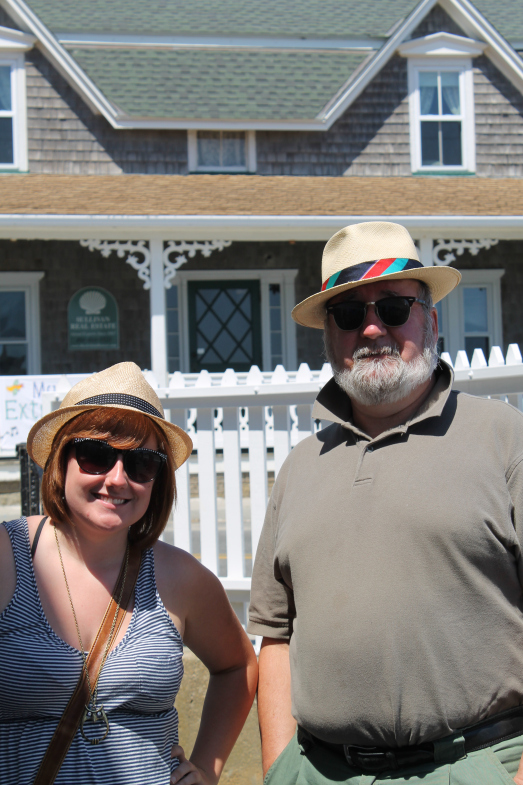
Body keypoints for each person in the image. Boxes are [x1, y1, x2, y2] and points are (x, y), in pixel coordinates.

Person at [248, 221, 523, 785]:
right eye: (348, 314)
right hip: (318, 771)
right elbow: (275, 634)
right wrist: (281, 768)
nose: (372, 327)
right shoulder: (300, 466)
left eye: (394, 308)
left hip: (472, 768)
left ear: (431, 319)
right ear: (329, 336)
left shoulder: (505, 440)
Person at [0, 362, 257, 785]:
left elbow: (238, 667)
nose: (117, 479)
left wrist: (207, 770)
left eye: (141, 463)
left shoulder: (180, 578)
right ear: (61, 461)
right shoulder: (8, 559)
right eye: (96, 456)